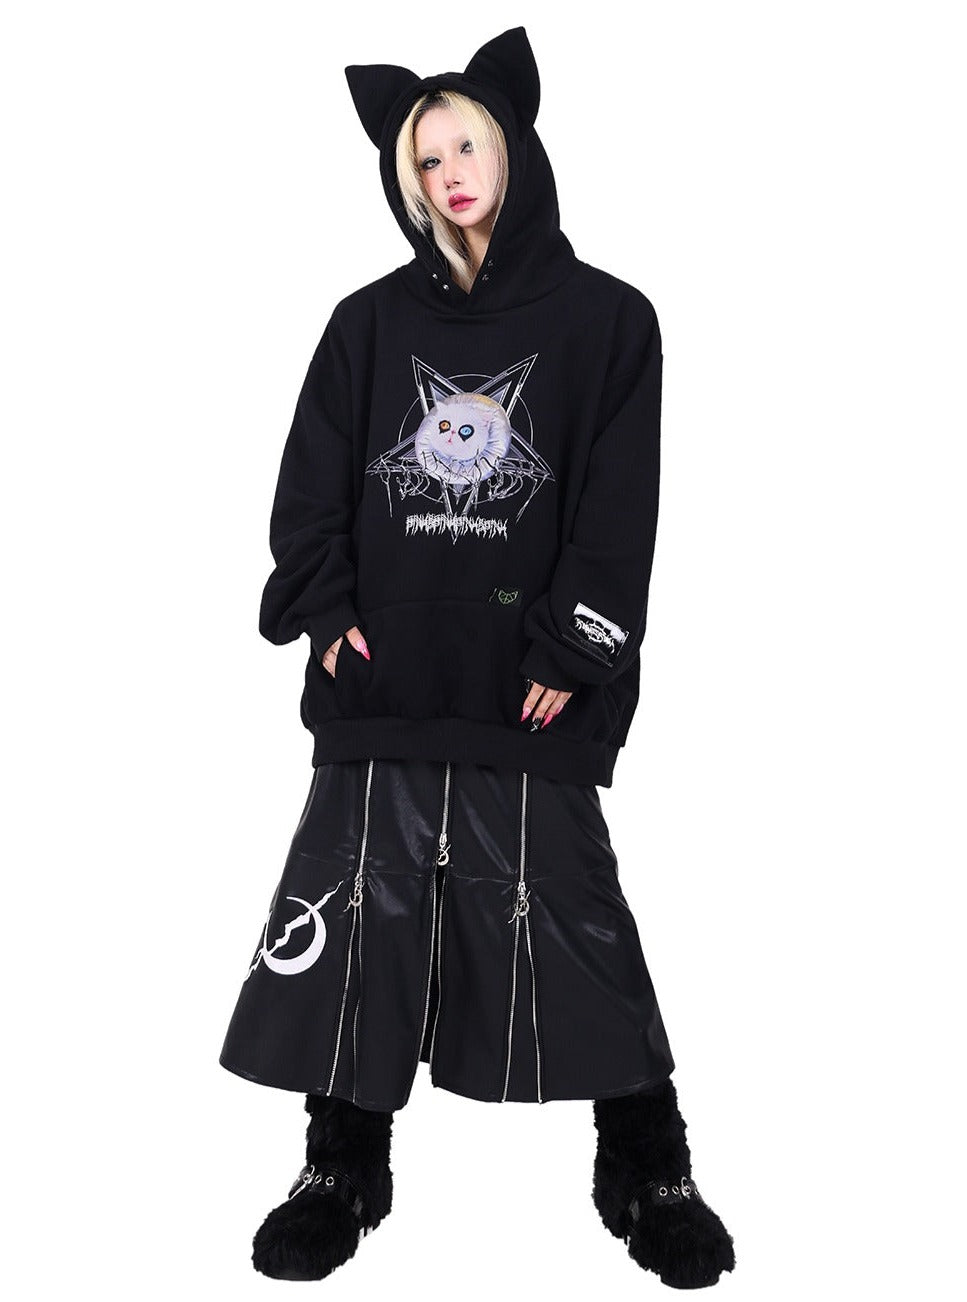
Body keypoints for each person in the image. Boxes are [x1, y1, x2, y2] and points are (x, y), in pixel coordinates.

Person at [219, 25, 735, 1289]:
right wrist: (326, 610)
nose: (448, 173)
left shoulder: (608, 321)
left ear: (512, 147)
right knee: (359, 914)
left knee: (573, 912)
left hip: (530, 681)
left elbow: (618, 505)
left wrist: (577, 642)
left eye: (465, 146)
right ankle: (340, 1168)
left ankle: (646, 1166)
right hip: (385, 676)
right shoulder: (365, 324)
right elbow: (310, 486)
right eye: (424, 158)